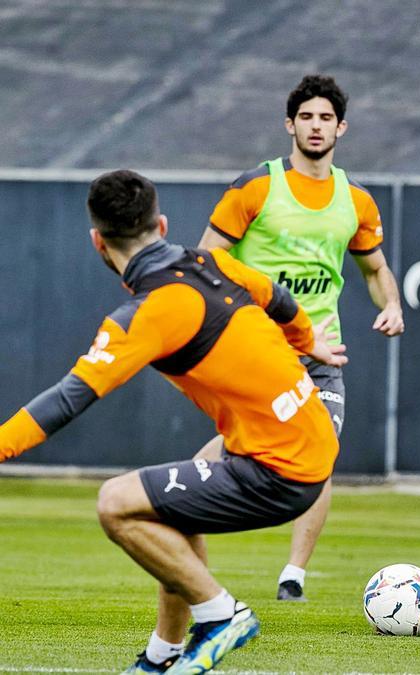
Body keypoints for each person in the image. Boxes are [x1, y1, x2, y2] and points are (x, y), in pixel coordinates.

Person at [0, 170, 344, 673]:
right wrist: (305, 341)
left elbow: (66, 401)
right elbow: (279, 297)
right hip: (308, 441)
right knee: (169, 507)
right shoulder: (216, 263)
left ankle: (221, 614)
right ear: (161, 224)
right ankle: (161, 657)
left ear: (98, 242)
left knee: (116, 503)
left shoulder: (150, 312)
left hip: (280, 469)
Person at [195, 74, 404, 602]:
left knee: (321, 449)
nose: (316, 126)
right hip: (257, 349)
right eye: (306, 117)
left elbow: (375, 269)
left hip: (321, 350)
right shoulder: (257, 187)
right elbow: (208, 260)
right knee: (244, 443)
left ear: (341, 127)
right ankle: (180, 505)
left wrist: (393, 306)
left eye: (325, 118)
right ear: (290, 125)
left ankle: (294, 575)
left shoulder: (355, 200)